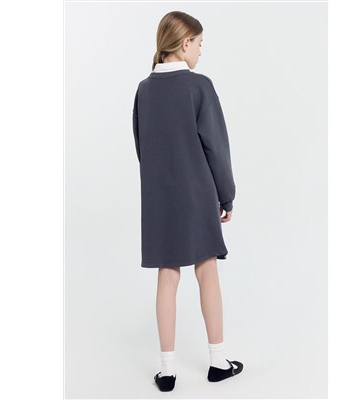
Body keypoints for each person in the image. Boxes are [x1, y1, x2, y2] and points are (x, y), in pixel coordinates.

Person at [132, 11, 243, 392]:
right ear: (184, 44)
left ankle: (167, 371)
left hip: (159, 199)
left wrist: (160, 186)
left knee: (167, 276)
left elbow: (143, 148)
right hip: (198, 195)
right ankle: (218, 361)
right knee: (206, 270)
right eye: (199, 44)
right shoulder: (199, 87)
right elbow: (217, 148)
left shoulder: (144, 90)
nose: (200, 51)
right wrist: (226, 195)